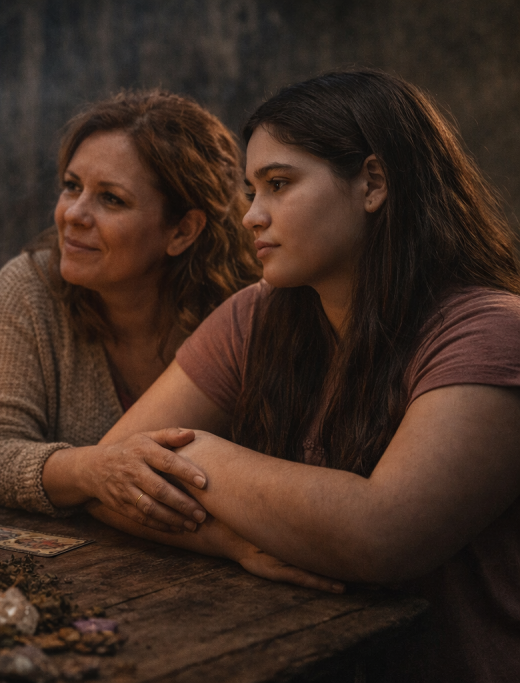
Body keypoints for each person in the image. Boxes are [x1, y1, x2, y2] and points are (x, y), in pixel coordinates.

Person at [90, 70, 520, 682]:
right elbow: (112, 476)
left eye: (279, 184)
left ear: (372, 183)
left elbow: (384, 535)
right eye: (249, 191)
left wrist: (204, 457)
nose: (250, 217)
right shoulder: (257, 314)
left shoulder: (491, 332)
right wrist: (230, 542)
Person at [0, 91, 331, 589]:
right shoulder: (30, 288)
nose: (73, 215)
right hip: (69, 581)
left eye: (111, 199)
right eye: (71, 187)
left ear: (182, 231)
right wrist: (94, 469)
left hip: (236, 590)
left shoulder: (253, 311)